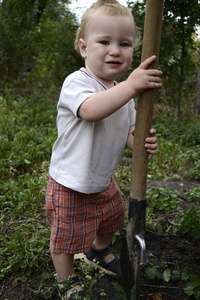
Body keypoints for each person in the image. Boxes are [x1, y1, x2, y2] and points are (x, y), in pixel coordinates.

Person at [46, 0, 162, 299]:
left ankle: (99, 251)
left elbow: (128, 133)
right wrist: (132, 86)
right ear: (84, 47)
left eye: (124, 43)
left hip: (102, 179)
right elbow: (91, 111)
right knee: (66, 236)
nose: (115, 50)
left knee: (112, 217)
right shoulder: (77, 82)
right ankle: (66, 279)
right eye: (105, 41)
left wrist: (141, 141)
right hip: (70, 182)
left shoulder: (123, 93)